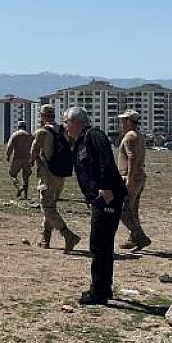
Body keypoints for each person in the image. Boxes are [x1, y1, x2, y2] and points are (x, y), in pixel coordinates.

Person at [64, 106, 126, 306]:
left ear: (77, 122)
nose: (65, 126)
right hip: (99, 199)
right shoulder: (80, 142)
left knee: (99, 244)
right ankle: (103, 288)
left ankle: (99, 291)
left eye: (67, 122)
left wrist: (106, 187)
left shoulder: (94, 135)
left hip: (108, 197)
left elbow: (106, 161)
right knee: (102, 243)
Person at [31, 104, 81, 253]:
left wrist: (36, 162)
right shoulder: (63, 130)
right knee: (51, 206)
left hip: (48, 174)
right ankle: (45, 239)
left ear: (42, 116)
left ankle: (68, 235)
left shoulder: (42, 131)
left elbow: (33, 151)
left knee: (47, 207)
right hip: (60, 175)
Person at [116, 110, 152, 251]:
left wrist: (129, 179)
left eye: (124, 121)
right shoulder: (139, 135)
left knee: (123, 211)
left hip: (130, 177)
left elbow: (132, 157)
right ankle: (133, 238)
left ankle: (140, 236)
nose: (122, 123)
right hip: (139, 177)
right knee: (133, 209)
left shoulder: (130, 136)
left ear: (129, 121)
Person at [4, 120, 35, 199]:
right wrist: (33, 159)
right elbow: (34, 148)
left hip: (17, 159)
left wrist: (8, 156)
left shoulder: (15, 135)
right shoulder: (29, 135)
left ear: (18, 127)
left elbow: (9, 146)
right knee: (26, 177)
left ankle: (19, 187)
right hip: (27, 159)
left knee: (12, 174)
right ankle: (25, 196)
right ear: (25, 127)